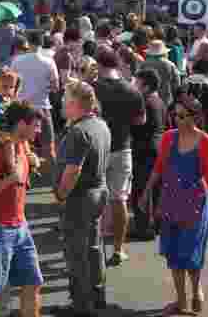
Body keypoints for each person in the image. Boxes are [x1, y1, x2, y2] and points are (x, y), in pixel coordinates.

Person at [138, 91, 208, 315]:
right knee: (174, 254)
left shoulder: (206, 142)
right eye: (175, 115)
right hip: (170, 201)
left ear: (196, 117)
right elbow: (159, 167)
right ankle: (181, 301)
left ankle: (196, 291)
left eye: (183, 116)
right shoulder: (168, 138)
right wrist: (146, 193)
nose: (177, 120)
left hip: (195, 204)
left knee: (191, 254)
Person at [0, 100, 44, 317]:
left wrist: (30, 164)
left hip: (20, 226)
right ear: (22, 124)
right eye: (35, 125)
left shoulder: (21, 147)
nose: (39, 130)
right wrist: (10, 179)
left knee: (33, 283)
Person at [53, 80, 111, 317]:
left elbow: (73, 170)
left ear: (75, 103)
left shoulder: (78, 132)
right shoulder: (100, 125)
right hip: (99, 191)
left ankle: (81, 305)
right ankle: (97, 296)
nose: (62, 104)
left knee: (76, 253)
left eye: (65, 100)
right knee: (93, 247)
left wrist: (60, 195)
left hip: (80, 196)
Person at [92, 47, 145, 266]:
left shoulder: (92, 88)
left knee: (93, 198)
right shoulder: (132, 90)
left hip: (97, 149)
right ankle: (118, 249)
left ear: (99, 65)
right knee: (119, 199)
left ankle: (93, 246)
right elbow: (140, 120)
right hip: (122, 148)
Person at [11, 30, 59, 162]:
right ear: (42, 43)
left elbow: (12, 85)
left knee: (18, 148)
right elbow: (56, 87)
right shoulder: (49, 62)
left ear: (27, 43)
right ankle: (52, 174)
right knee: (49, 149)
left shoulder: (17, 60)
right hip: (42, 108)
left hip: (21, 109)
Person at [132, 69, 167, 240]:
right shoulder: (159, 101)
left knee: (141, 188)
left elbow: (136, 124)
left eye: (137, 82)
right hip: (158, 147)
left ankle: (143, 228)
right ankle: (159, 224)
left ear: (145, 86)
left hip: (144, 149)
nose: (134, 85)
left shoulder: (143, 101)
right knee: (157, 188)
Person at [138, 40, 181, 109]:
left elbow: (138, 81)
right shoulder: (170, 64)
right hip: (166, 98)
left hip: (148, 98)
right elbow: (177, 82)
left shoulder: (144, 64)